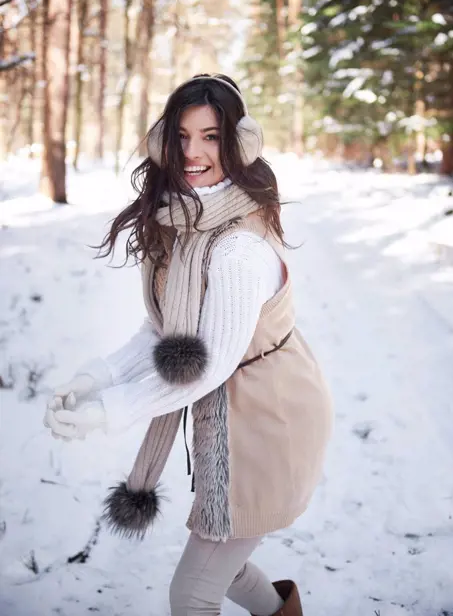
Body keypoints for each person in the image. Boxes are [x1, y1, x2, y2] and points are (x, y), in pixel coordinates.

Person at [44, 74, 334, 616]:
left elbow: (209, 363)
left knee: (193, 592)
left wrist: (110, 410)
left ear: (239, 145)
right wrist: (97, 378)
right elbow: (165, 334)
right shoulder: (187, 223)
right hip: (230, 416)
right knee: (224, 569)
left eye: (210, 137)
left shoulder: (235, 248)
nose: (193, 153)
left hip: (267, 423)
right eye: (181, 136)